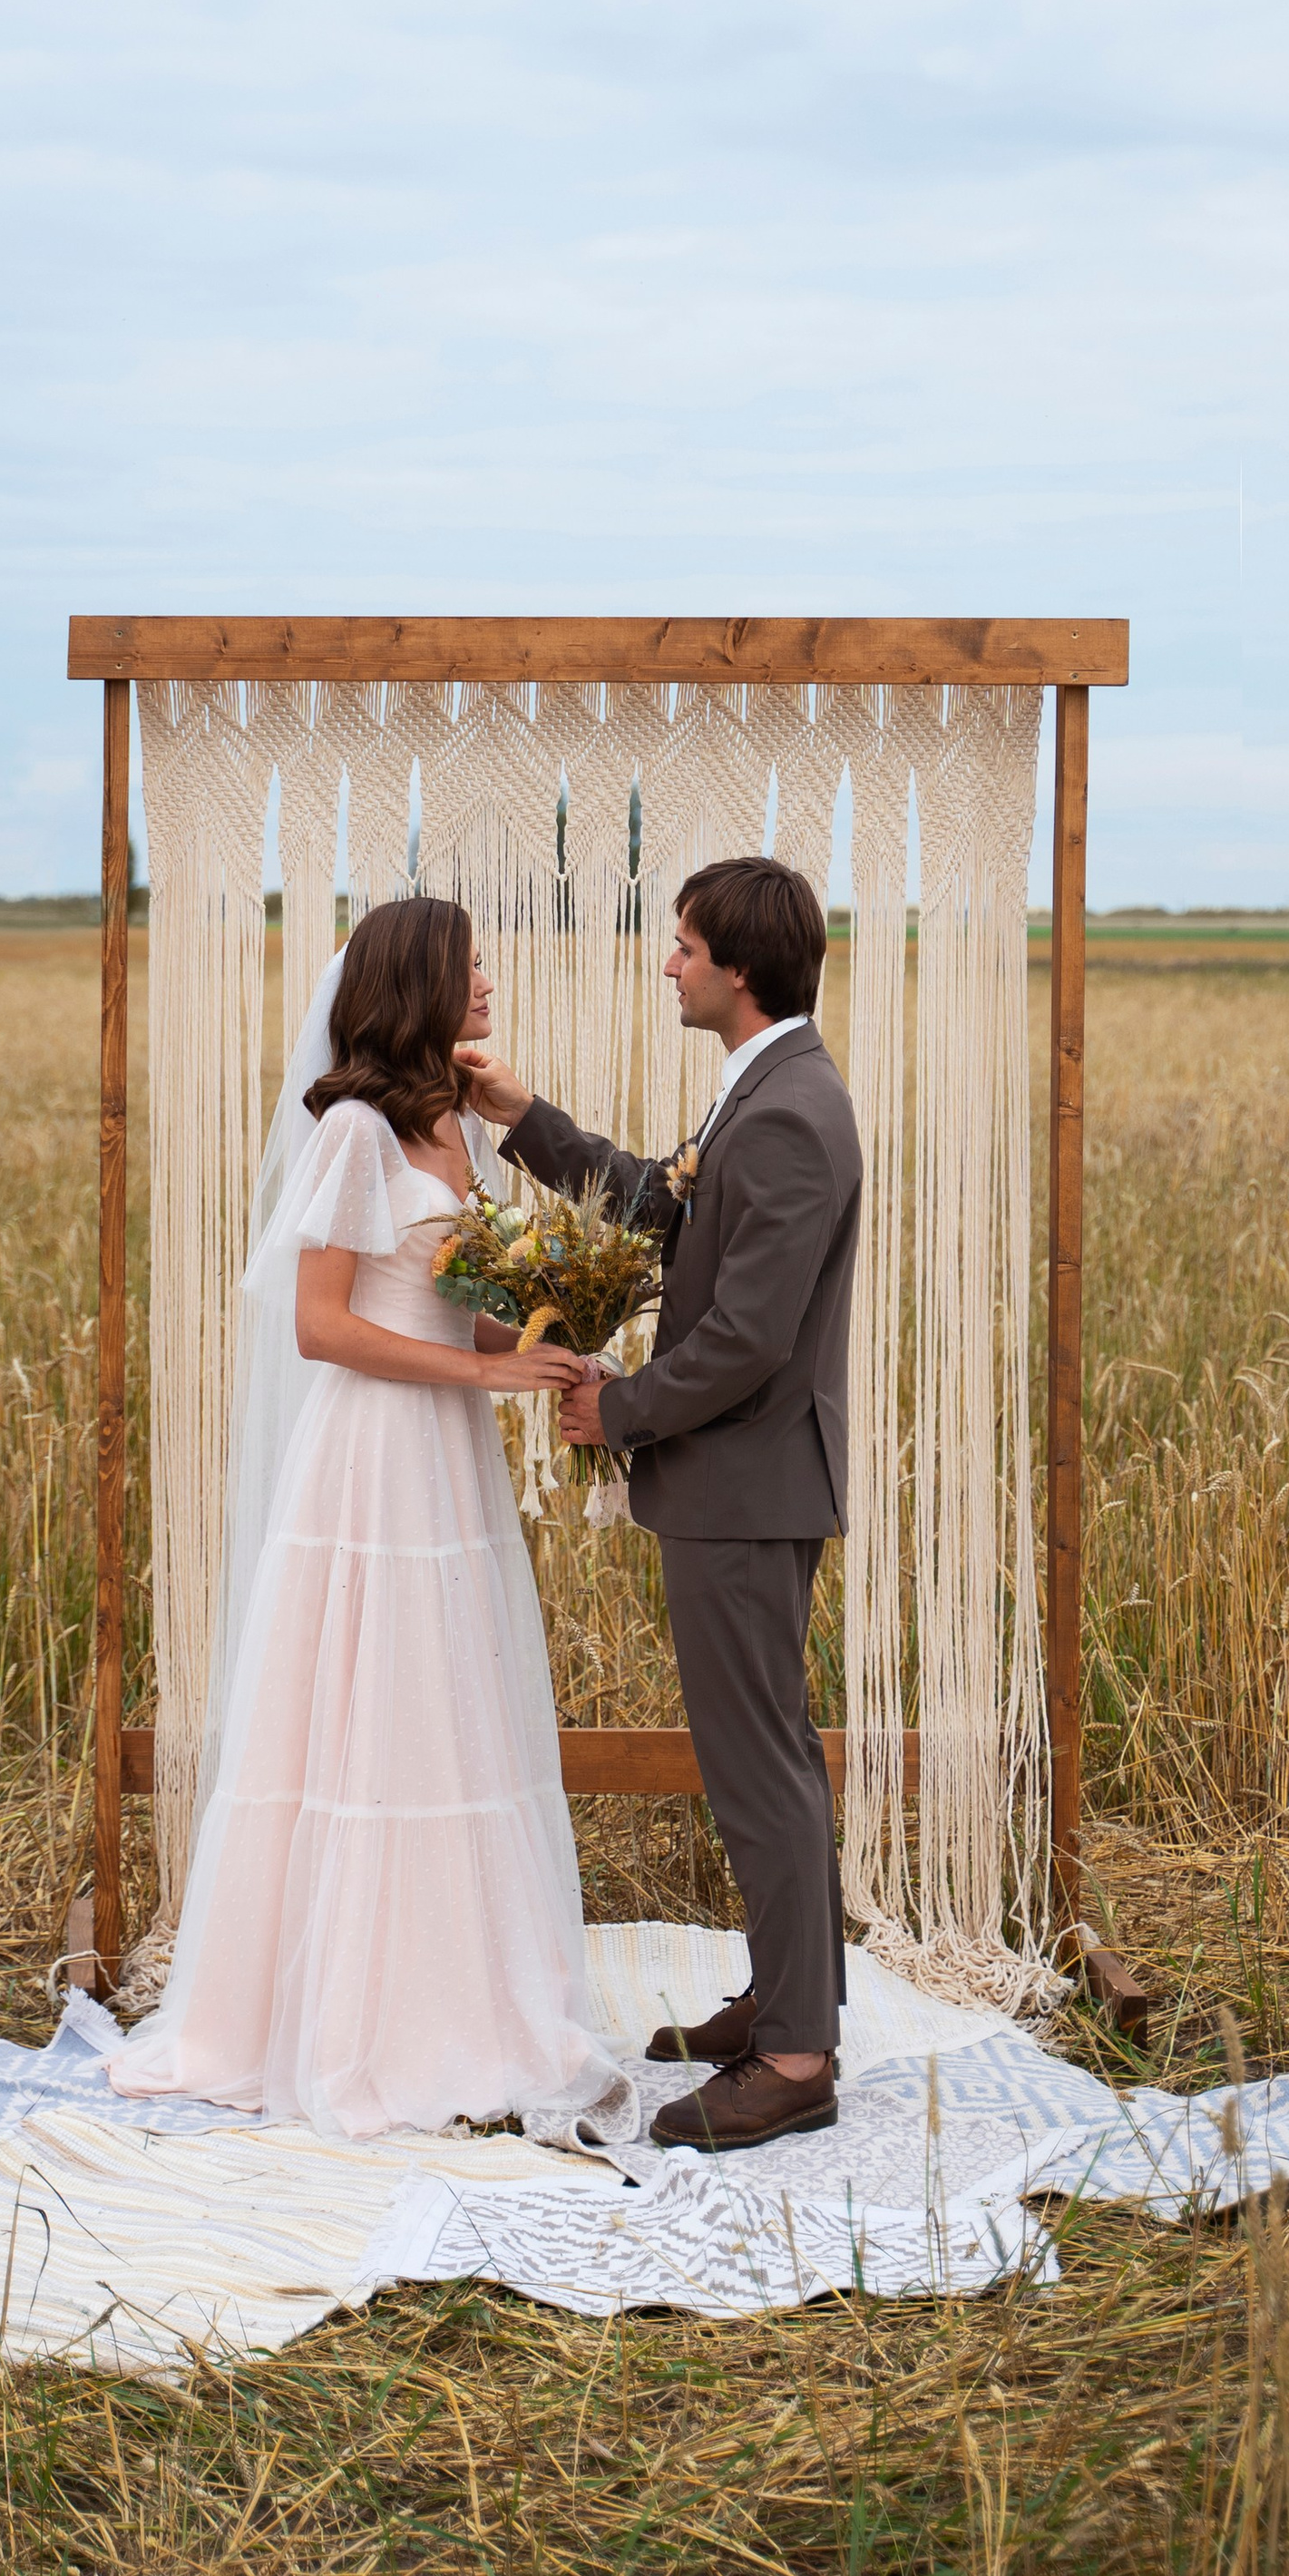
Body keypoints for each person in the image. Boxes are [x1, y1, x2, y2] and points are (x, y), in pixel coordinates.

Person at [107, 897, 615, 2138]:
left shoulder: (454, 1130)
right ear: (420, 984)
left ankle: (456, 1995)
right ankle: (346, 2017)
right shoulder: (352, 1133)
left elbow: (451, 1306)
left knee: (444, 1696)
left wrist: (556, 1337)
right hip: (375, 1453)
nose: (488, 983)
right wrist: (490, 1373)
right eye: (471, 967)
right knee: (368, 1701)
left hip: (447, 1454)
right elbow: (322, 1325)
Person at [460, 857, 861, 2154]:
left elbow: (748, 1335)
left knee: (758, 1767)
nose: (668, 963)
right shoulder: (769, 1089)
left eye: (684, 946)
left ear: (739, 968)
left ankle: (795, 2060)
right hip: (743, 1483)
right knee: (766, 1755)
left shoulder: (790, 1112)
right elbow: (667, 1212)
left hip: (744, 1487)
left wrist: (619, 1409)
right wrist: (525, 1116)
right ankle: (788, 2003)